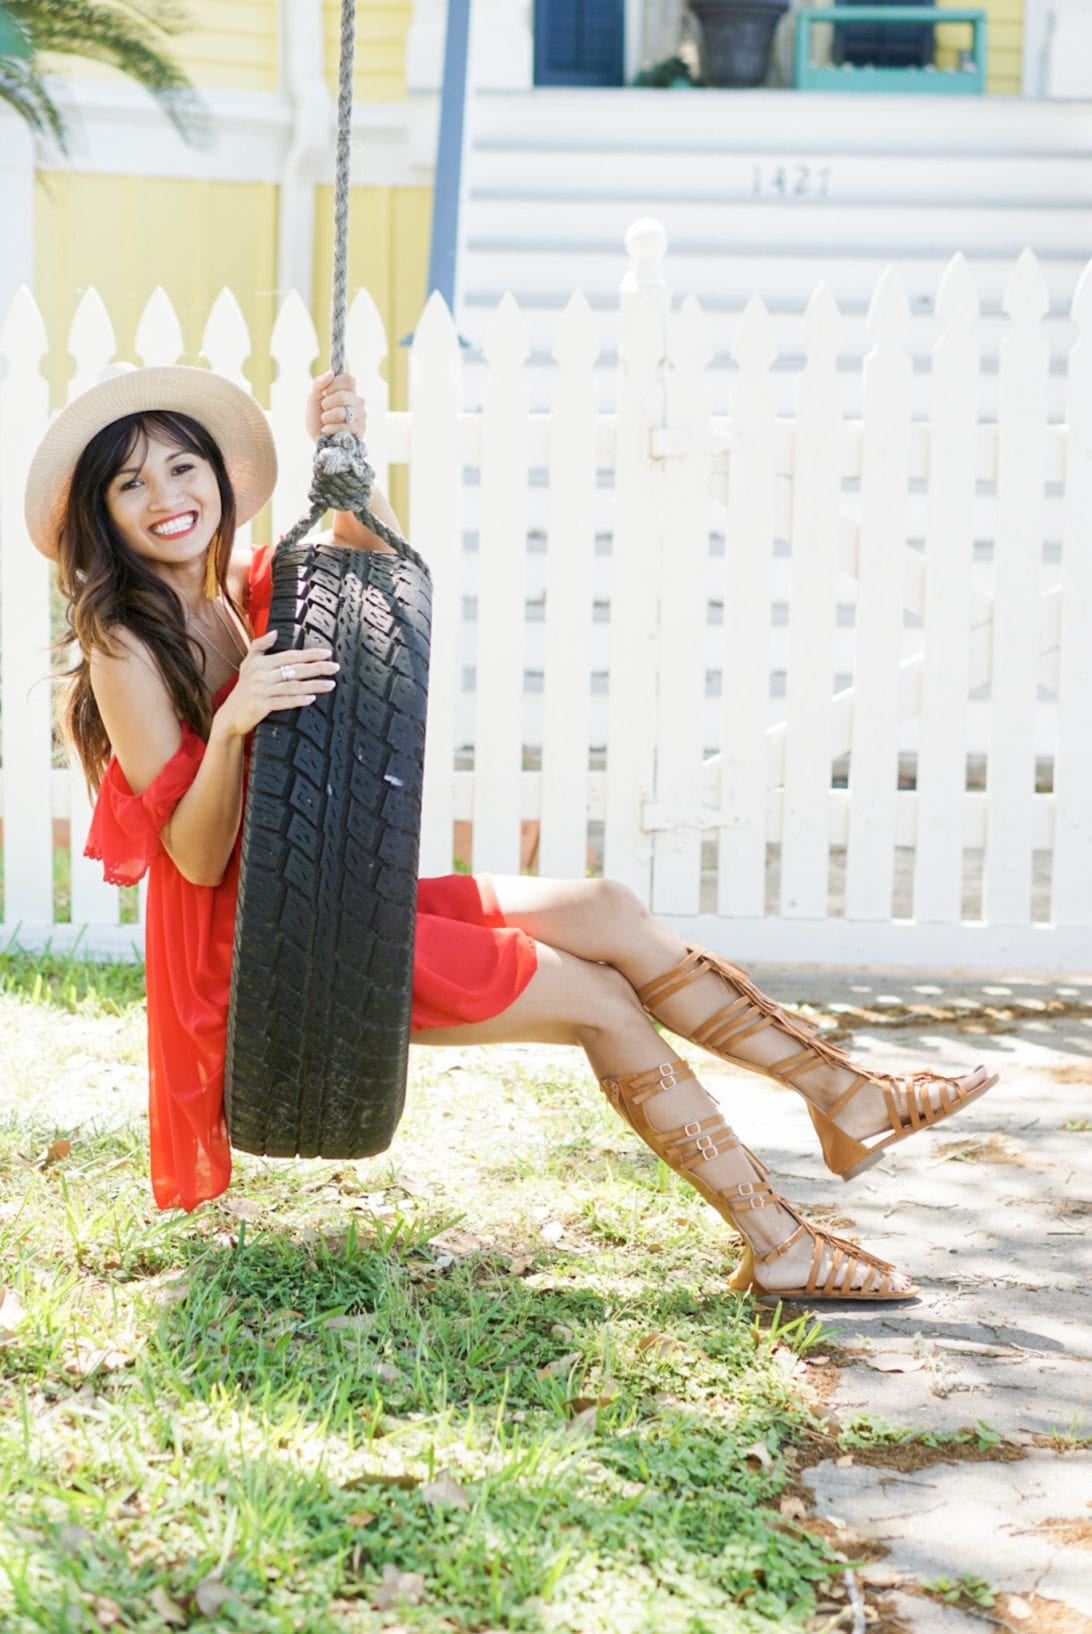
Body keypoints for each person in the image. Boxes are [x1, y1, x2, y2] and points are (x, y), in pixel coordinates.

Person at [27, 363, 997, 1303]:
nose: (164, 494)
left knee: (602, 908)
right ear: (102, 514)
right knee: (602, 999)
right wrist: (236, 717)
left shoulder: (232, 587)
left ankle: (849, 1097)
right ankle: (779, 1242)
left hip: (325, 890)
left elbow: (370, 552)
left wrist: (348, 447)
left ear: (218, 475)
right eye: (130, 481)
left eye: (181, 465)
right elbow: (193, 857)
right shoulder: (124, 636)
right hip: (278, 950)